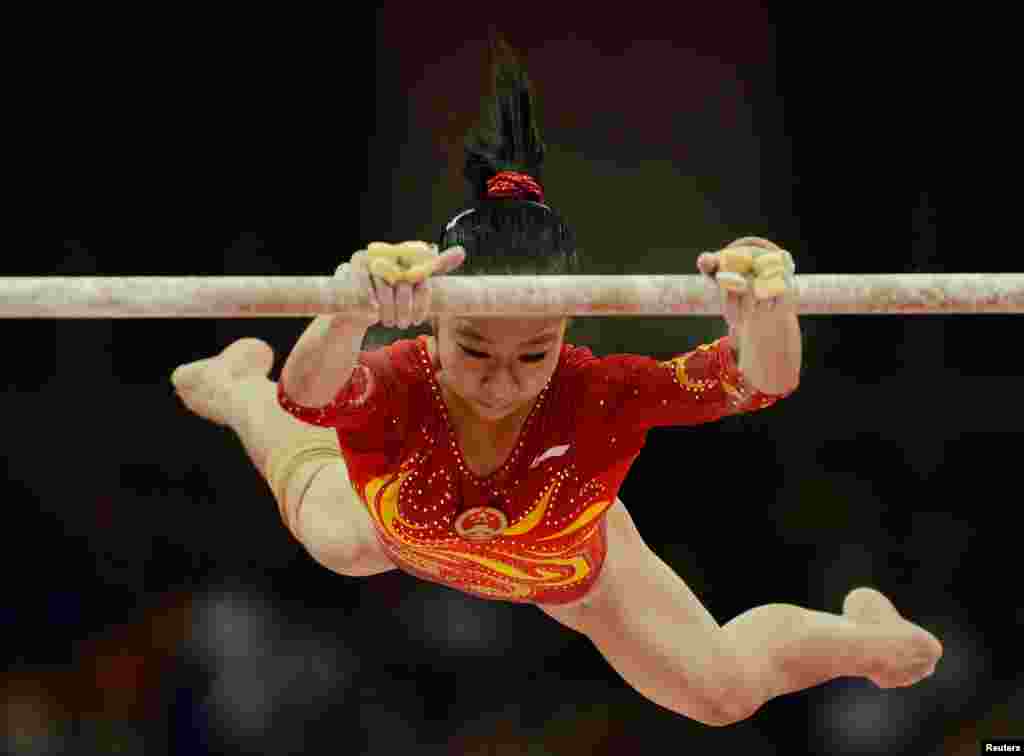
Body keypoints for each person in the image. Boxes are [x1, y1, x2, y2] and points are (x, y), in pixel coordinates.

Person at [171, 34, 942, 728]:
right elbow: (307, 397)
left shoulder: (601, 395)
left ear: (568, 329)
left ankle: (861, 637)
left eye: (532, 356)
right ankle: (234, 383)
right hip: (400, 533)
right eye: (474, 350)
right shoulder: (401, 381)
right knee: (336, 533)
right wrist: (349, 308)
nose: (503, 380)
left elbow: (763, 380)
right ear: (430, 323)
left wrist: (766, 308)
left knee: (723, 694)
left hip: (573, 568)